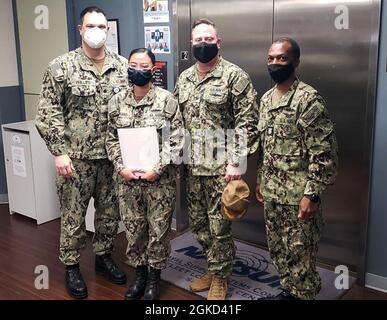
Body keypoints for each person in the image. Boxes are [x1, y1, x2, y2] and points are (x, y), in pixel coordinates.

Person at [35, 6, 128, 299]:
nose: (97, 31)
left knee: (109, 215)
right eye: (91, 25)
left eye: (102, 26)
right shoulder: (61, 66)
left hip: (112, 158)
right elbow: (48, 112)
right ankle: (72, 266)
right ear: (80, 29)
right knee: (73, 217)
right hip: (75, 159)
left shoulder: (123, 66)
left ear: (108, 30)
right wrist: (59, 152)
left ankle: (103, 257)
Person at [174, 18, 259, 300]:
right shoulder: (184, 79)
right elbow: (176, 121)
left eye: (208, 40)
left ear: (218, 42)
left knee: (219, 227)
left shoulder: (235, 76)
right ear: (191, 43)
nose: (203, 45)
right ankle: (213, 267)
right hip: (192, 166)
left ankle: (221, 279)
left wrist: (236, 162)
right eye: (198, 40)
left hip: (222, 169)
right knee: (198, 225)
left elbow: (247, 122)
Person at [255, 37, 339, 300]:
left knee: (301, 255)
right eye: (271, 58)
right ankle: (288, 291)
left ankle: (303, 294)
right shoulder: (266, 99)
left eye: (282, 58)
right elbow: (265, 147)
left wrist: (312, 194)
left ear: (295, 62)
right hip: (272, 194)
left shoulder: (308, 100)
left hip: (298, 198)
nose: (275, 63)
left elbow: (324, 152)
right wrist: (260, 181)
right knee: (279, 251)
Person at [106, 48, 184, 300]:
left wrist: (157, 168)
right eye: (133, 65)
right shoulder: (116, 102)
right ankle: (139, 275)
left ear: (153, 69)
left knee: (158, 230)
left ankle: (154, 278)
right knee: (133, 229)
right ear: (127, 67)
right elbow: (110, 139)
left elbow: (177, 139)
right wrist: (121, 167)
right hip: (127, 181)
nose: (138, 70)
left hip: (158, 182)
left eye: (144, 66)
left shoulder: (167, 100)